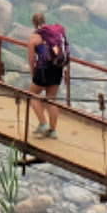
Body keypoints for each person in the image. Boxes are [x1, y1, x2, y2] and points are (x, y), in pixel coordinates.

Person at [26, 11, 68, 139]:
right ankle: (53, 131)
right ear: (44, 20)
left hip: (43, 70)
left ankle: (43, 124)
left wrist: (33, 73)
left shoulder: (34, 38)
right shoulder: (54, 33)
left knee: (32, 96)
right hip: (57, 69)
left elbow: (32, 59)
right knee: (51, 99)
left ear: (33, 23)